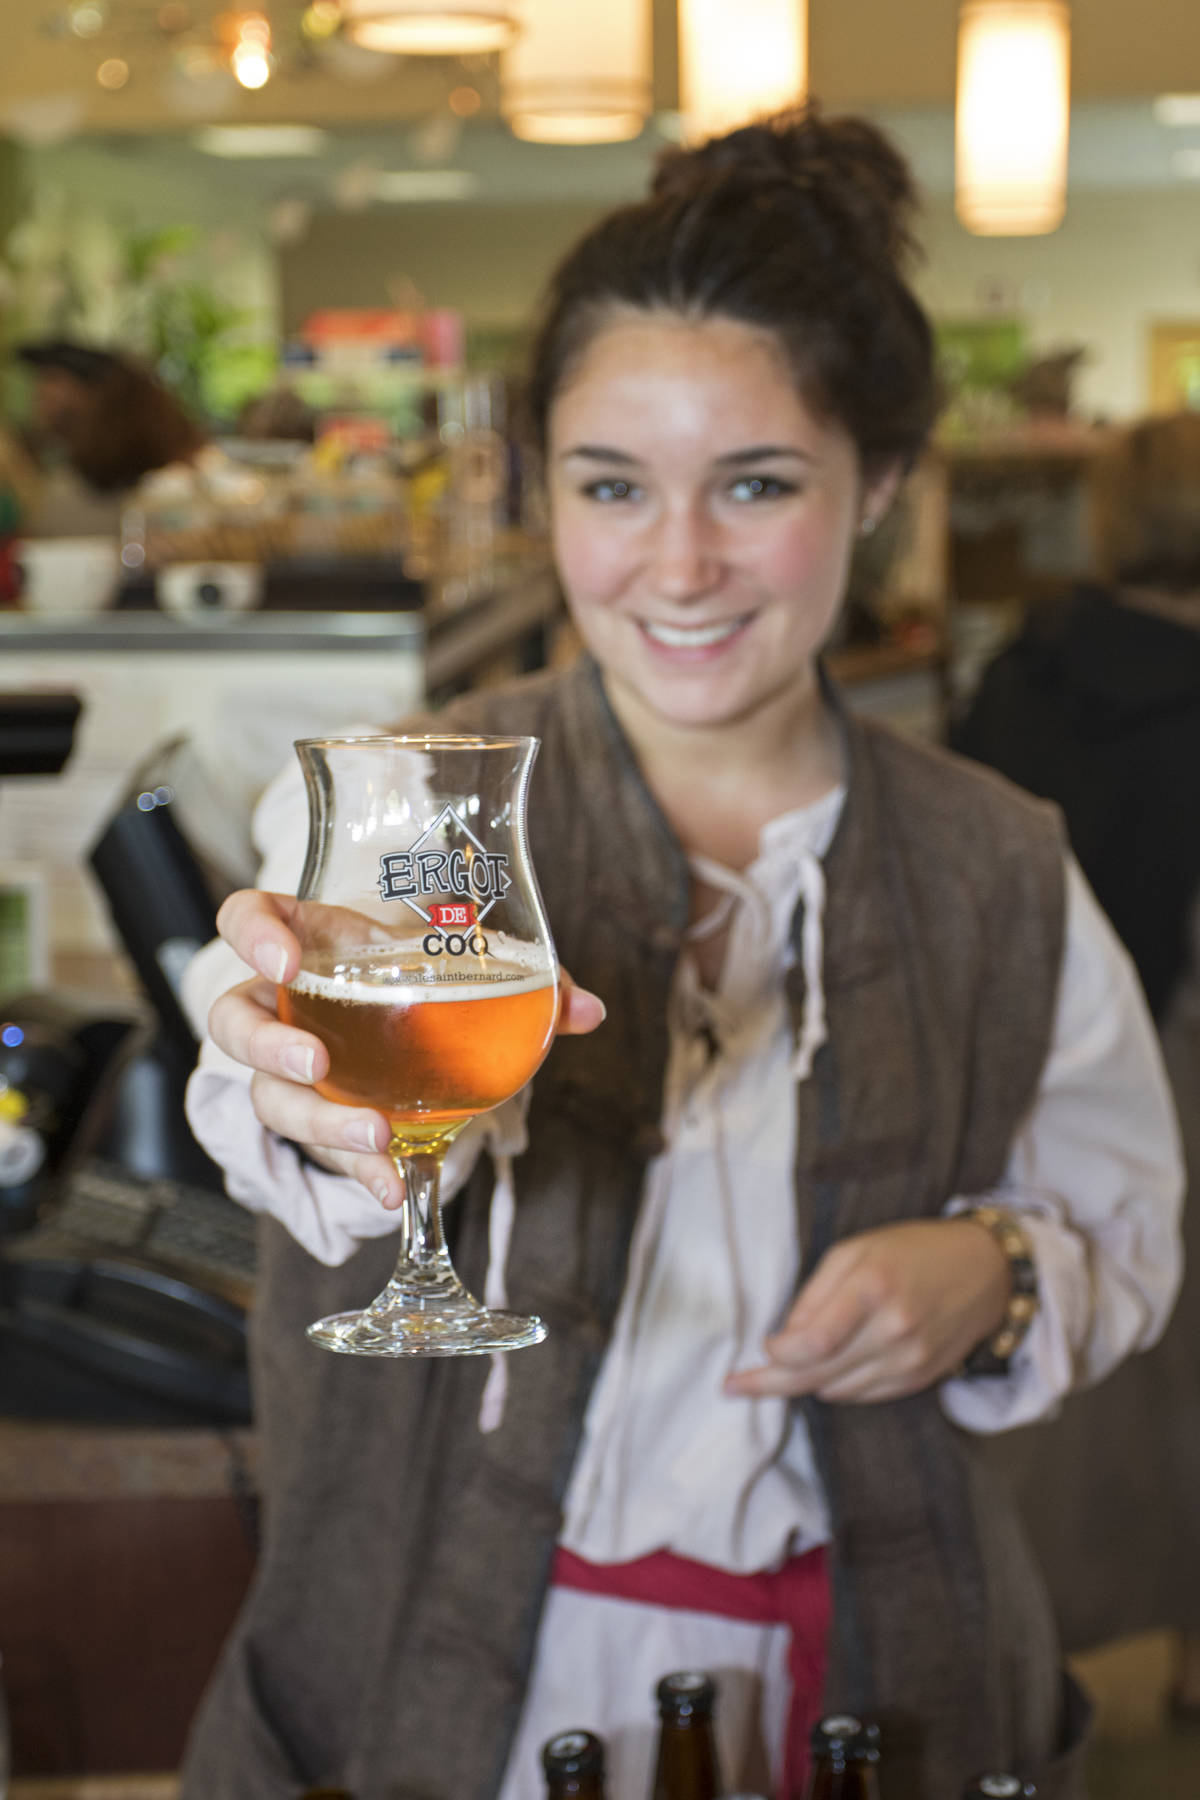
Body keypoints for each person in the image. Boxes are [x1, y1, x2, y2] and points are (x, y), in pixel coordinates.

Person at [178, 108, 1182, 1800]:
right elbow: (283, 1108)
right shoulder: (419, 805)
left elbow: (1127, 1226)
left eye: (759, 485)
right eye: (613, 487)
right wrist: (323, 1110)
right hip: (452, 1677)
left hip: (885, 1677)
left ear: (880, 486)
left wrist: (998, 1273)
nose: (681, 564)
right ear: (544, 487)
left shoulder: (1001, 862)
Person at [953, 411, 1200, 1714]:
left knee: (1046, 1366)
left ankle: (1029, 1641)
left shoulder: (1025, 664)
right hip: (1173, 1054)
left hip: (1009, 1057)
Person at [13, 338, 205, 537]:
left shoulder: (124, 458)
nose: (40, 393)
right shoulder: (66, 462)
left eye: (52, 379)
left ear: (89, 390)